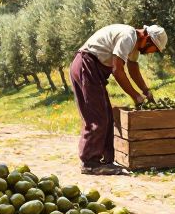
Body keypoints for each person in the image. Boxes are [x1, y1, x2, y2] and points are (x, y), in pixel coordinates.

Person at [69, 24, 167, 174]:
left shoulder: (134, 43)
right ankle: (90, 163)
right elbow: (117, 70)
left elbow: (133, 68)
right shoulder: (128, 36)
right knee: (98, 117)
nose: (151, 53)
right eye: (154, 49)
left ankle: (106, 161)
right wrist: (136, 96)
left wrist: (146, 91)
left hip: (92, 69)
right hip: (86, 65)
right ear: (147, 39)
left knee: (107, 115)